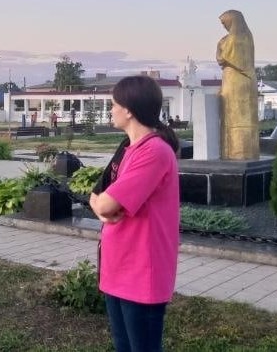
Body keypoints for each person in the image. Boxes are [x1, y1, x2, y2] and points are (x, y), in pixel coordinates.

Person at [89, 75, 180, 352]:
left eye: (113, 104)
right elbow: (96, 196)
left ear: (128, 110)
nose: (111, 110)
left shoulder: (154, 152)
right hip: (118, 268)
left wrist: (103, 208)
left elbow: (104, 204)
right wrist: (102, 208)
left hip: (141, 273)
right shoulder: (129, 149)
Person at [216, 9, 259, 160]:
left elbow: (222, 57)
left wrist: (221, 48)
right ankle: (230, 151)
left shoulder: (238, 37)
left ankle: (240, 153)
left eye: (225, 23)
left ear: (233, 21)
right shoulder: (233, 38)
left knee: (240, 117)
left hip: (239, 81)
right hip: (232, 79)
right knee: (229, 115)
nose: (224, 26)